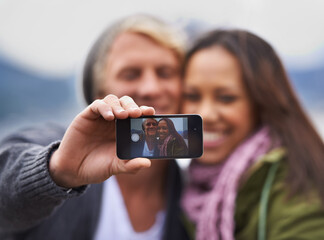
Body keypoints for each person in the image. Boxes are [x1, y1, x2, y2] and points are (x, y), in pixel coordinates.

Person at [0, 14, 190, 240]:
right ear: (99, 94)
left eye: (165, 73)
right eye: (130, 74)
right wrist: (57, 170)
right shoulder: (60, 149)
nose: (150, 88)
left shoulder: (196, 192)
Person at [180, 29, 324, 240]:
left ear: (261, 103)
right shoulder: (187, 184)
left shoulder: (298, 191)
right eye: (192, 96)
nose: (205, 114)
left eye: (226, 98)